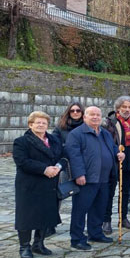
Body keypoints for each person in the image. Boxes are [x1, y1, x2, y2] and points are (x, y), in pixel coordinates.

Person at [66, 106, 125, 250]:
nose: (95, 117)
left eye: (98, 115)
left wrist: (119, 154)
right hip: (87, 178)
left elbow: (113, 148)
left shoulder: (105, 133)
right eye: (92, 114)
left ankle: (95, 233)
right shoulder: (76, 134)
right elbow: (74, 156)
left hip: (104, 178)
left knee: (99, 208)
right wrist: (79, 174)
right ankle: (77, 238)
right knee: (80, 210)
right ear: (84, 117)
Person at [13, 111, 63, 258]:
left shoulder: (54, 140)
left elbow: (63, 155)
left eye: (44, 123)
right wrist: (44, 169)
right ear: (31, 125)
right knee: (26, 216)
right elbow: (22, 161)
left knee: (45, 213)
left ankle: (38, 244)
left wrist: (58, 167)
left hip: (50, 182)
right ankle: (24, 247)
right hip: (29, 184)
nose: (41, 125)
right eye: (38, 122)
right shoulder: (21, 141)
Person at [103, 96, 130, 233]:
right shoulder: (110, 122)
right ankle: (106, 220)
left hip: (129, 160)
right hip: (114, 161)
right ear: (118, 108)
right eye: (124, 107)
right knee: (110, 192)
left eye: (129, 107)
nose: (127, 109)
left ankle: (123, 218)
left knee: (125, 192)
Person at [49, 101, 84, 237]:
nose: (75, 113)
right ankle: (51, 223)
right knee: (59, 193)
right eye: (72, 110)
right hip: (66, 163)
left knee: (81, 196)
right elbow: (54, 143)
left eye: (78, 110)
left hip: (82, 163)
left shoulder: (86, 126)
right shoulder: (61, 127)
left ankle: (79, 226)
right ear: (68, 112)